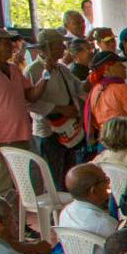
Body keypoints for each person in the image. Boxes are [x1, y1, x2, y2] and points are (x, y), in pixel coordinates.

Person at [0, 27, 53, 200]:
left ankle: (18, 225)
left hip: (21, 137)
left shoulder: (13, 69)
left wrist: (46, 75)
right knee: (2, 188)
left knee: (22, 186)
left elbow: (31, 96)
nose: (12, 47)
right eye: (6, 44)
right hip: (0, 142)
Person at [26, 29, 85, 190]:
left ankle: (67, 209)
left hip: (68, 129)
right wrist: (59, 109)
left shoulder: (62, 68)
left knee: (68, 174)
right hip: (48, 131)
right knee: (53, 176)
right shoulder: (33, 70)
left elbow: (79, 88)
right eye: (59, 44)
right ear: (48, 47)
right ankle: (54, 213)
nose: (63, 47)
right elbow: (29, 102)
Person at [59, 164, 118, 254]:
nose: (108, 184)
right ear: (93, 190)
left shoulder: (65, 213)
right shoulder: (105, 223)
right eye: (105, 180)